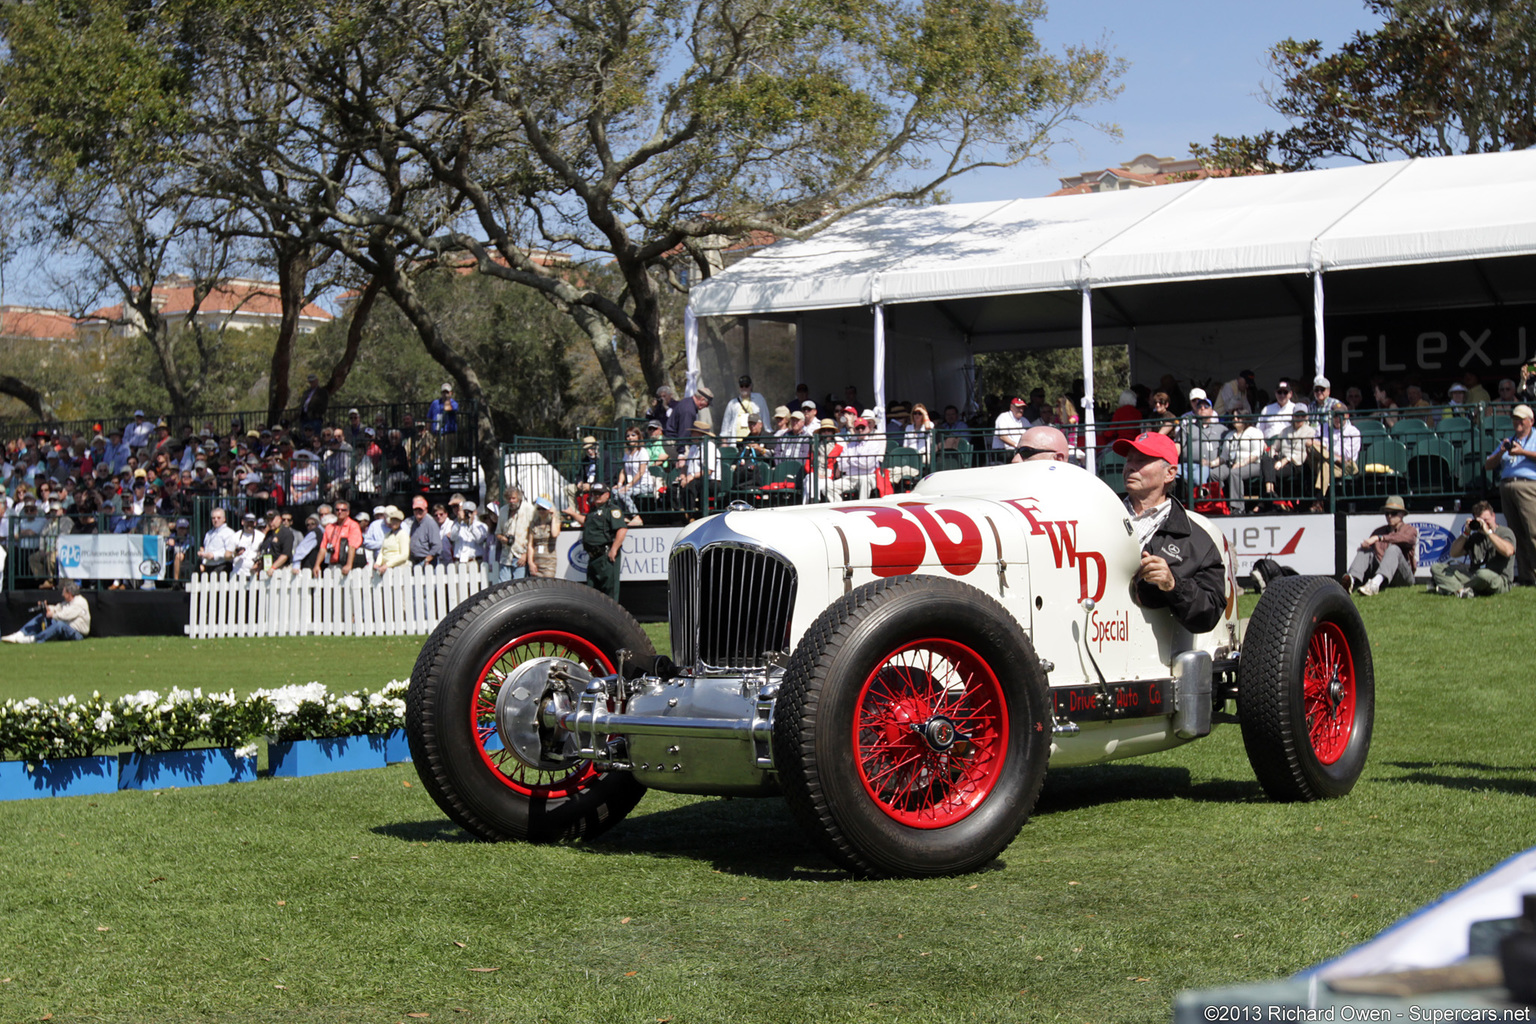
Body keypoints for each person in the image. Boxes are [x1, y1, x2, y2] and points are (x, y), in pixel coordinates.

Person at [1113, 431, 1225, 634]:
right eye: (1129, 460)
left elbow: (1210, 613)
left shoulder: (1197, 540)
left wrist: (1172, 583)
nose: (1130, 466)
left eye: (1142, 461)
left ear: (1170, 474)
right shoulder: (1099, 511)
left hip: (1148, 654)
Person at [1484, 403, 1536, 586]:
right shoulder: (1507, 440)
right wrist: (1502, 452)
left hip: (1529, 486)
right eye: (1515, 420)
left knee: (1533, 532)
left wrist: (1522, 452)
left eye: (1521, 420)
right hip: (1507, 487)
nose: (1517, 424)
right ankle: (1526, 576)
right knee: (1517, 534)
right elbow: (1488, 464)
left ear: (1531, 421)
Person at [1429, 502, 1516, 598]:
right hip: (1474, 576)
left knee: (1483, 575)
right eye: (1480, 521)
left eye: (1486, 520)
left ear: (1493, 516)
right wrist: (1466, 533)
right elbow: (1454, 553)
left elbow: (1508, 551)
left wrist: (1489, 533)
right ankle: (1462, 591)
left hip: (1498, 579)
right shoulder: (1476, 537)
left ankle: (1452, 588)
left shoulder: (1505, 532)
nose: (1484, 524)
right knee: (1437, 568)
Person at [1343, 496, 1418, 596]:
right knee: (1365, 551)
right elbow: (1369, 554)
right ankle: (1351, 580)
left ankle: (1375, 584)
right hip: (1381, 571)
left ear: (1402, 514)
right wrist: (1365, 547)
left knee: (1394, 549)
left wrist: (1379, 538)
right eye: (1387, 513)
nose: (1389, 516)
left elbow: (1405, 539)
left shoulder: (1410, 530)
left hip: (1403, 576)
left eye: (1394, 513)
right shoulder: (1378, 531)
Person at [567, 483, 627, 599]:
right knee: (592, 593)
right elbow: (586, 521)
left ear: (607, 495)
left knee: (609, 592)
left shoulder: (612, 510)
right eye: (594, 494)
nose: (597, 496)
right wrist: (572, 513)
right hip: (593, 557)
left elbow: (622, 529)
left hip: (605, 556)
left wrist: (614, 549)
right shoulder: (593, 510)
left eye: (600, 494)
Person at [3, 579, 91, 643]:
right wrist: (47, 607)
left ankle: (34, 639)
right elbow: (58, 607)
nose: (62, 595)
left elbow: (65, 615)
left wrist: (52, 615)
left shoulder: (79, 602)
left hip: (77, 634)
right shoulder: (68, 602)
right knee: (44, 618)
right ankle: (20, 633)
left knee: (59, 625)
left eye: (64, 592)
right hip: (68, 629)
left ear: (70, 593)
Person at [494, 485, 534, 582]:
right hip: (506, 555)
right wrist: (502, 538)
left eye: (513, 498)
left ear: (519, 498)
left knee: (519, 585)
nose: (511, 501)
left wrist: (525, 555)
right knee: (503, 586)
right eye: (509, 499)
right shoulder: (503, 510)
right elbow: (498, 532)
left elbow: (533, 535)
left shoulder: (528, 509)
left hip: (520, 553)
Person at [718, 374, 769, 441]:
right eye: (741, 386)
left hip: (753, 440)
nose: (744, 388)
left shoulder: (759, 399)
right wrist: (724, 443)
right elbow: (725, 425)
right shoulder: (732, 403)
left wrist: (768, 434)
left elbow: (765, 418)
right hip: (736, 440)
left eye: (746, 386)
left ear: (751, 386)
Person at [197, 507, 239, 574]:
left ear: (224, 519)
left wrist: (214, 555)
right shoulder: (209, 533)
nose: (216, 520)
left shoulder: (228, 532)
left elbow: (231, 551)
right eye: (213, 518)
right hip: (208, 567)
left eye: (218, 518)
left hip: (222, 567)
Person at [527, 495, 560, 577]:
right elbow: (530, 545)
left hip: (549, 563)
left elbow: (555, 534)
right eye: (539, 509)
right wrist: (530, 562)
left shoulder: (554, 522)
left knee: (548, 586)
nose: (541, 511)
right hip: (536, 563)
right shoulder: (533, 524)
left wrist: (553, 517)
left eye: (544, 509)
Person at [257, 508, 296, 578]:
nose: (270, 522)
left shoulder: (286, 533)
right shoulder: (269, 534)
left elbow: (285, 555)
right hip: (268, 569)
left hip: (281, 570)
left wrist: (273, 567)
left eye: (272, 520)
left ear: (279, 519)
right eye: (268, 520)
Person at [374, 506, 411, 573]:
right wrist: (378, 563)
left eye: (396, 520)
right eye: (393, 520)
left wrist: (387, 565)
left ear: (400, 522)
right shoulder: (387, 535)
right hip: (385, 569)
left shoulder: (403, 534)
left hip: (399, 569)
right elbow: (382, 551)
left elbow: (404, 555)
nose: (394, 522)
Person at [408, 494, 442, 565]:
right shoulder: (413, 523)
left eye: (420, 509)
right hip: (415, 561)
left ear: (426, 510)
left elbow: (437, 546)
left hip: (428, 561)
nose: (418, 511)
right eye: (415, 509)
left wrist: (427, 559)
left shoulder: (430, 523)